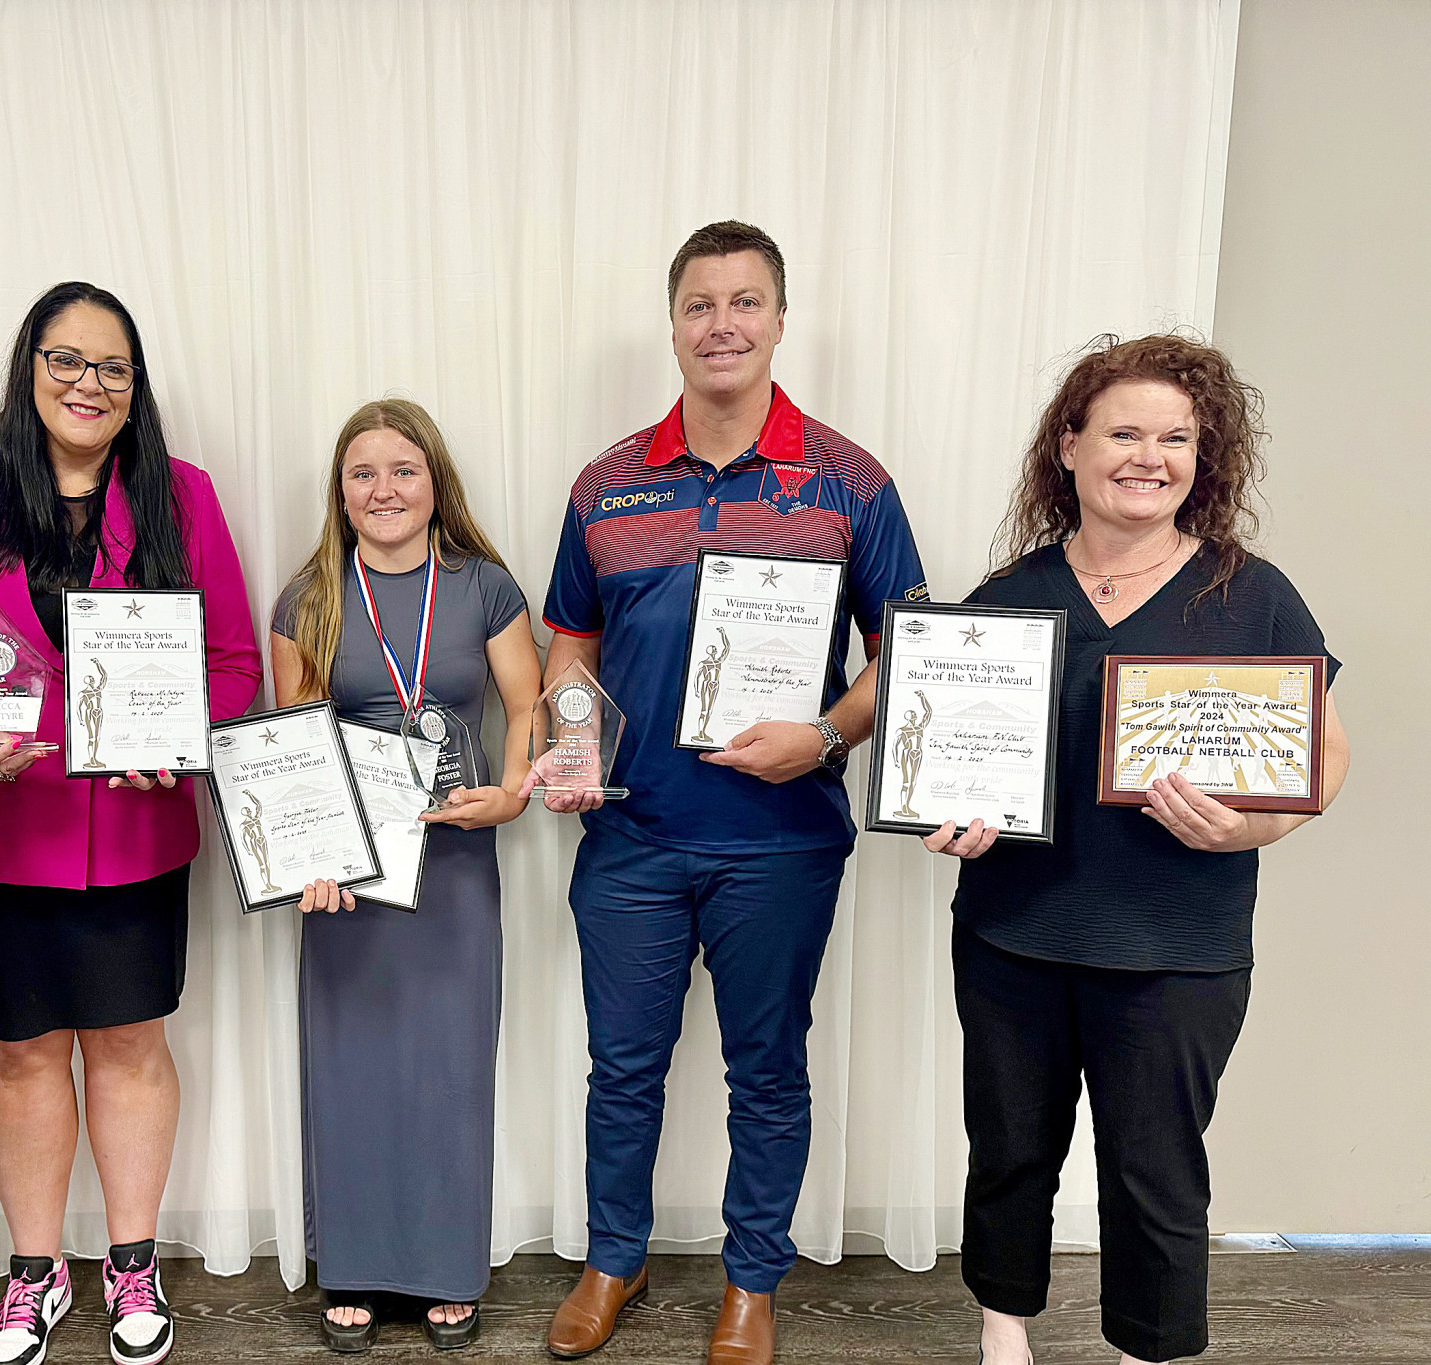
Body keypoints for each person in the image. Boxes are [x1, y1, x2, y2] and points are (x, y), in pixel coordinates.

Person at [522, 222, 929, 1365]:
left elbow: (906, 649)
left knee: (766, 1069)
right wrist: (567, 735)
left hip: (782, 843)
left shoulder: (849, 481)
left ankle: (752, 1280)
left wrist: (826, 735)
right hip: (631, 837)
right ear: (671, 324)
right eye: (700, 305)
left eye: (744, 303)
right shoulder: (604, 484)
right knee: (624, 1068)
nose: (721, 325)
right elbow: (568, 636)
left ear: (779, 321)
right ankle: (614, 1256)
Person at [0, 282, 262, 1365]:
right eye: (66, 360)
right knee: (21, 1053)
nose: (88, 384)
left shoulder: (179, 493)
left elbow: (229, 665)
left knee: (130, 1043)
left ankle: (133, 1260)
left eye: (112, 368)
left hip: (130, 831)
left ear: (137, 387)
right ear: (28, 363)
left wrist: (170, 740)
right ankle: (33, 1271)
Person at [922, 334, 1350, 1365]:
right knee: (1010, 1150)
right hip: (1012, 937)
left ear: (1202, 460)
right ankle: (1001, 1332)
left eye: (1174, 438)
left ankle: (1147, 1350)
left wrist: (1253, 826)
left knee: (1155, 1168)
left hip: (1177, 947)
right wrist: (947, 820)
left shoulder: (1250, 595)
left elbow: (1323, 758)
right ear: (1068, 446)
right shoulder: (1006, 599)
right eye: (1122, 432)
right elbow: (945, 764)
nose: (1147, 456)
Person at [269, 399, 542, 1353]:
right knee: (349, 1065)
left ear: (436, 484)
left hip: (457, 869)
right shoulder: (309, 596)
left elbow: (527, 707)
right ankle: (350, 1262)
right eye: (362, 473)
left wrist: (511, 794)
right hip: (349, 880)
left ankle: (445, 1266)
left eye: (403, 469)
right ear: (339, 493)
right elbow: (290, 747)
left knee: (447, 1068)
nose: (383, 488)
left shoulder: (486, 588)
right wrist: (309, 860)